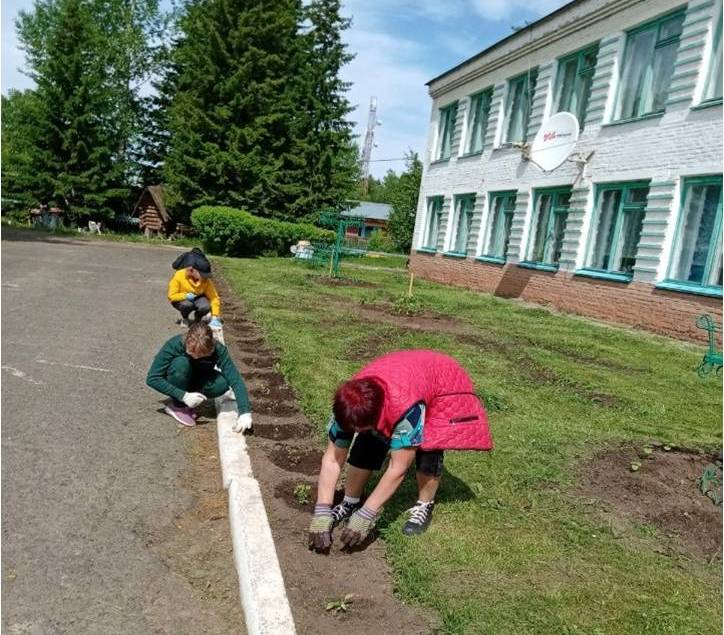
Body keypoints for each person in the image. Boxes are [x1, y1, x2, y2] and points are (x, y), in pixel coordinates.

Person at [308, 350, 492, 553]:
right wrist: (322, 510)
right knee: (369, 440)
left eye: (360, 427)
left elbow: (398, 467)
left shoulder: (407, 409)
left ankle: (424, 504)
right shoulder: (347, 406)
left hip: (441, 381)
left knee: (428, 447)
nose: (355, 432)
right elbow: (333, 459)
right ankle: (351, 501)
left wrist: (367, 515)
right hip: (401, 375)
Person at [146, 322, 252, 431]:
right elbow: (153, 378)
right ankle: (178, 406)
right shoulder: (174, 344)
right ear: (187, 342)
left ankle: (193, 399)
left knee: (221, 384)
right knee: (181, 364)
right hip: (177, 377)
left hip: (198, 378)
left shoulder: (219, 350)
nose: (196, 358)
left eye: (202, 356)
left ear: (211, 348)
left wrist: (245, 412)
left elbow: (235, 380)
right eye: (192, 354)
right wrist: (183, 395)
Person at [168, 248, 222, 328]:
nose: (205, 277)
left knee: (205, 306)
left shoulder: (206, 281)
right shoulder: (179, 276)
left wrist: (214, 316)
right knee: (187, 305)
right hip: (182, 299)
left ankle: (197, 320)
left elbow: (214, 297)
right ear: (193, 270)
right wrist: (185, 296)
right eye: (202, 274)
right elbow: (171, 296)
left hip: (198, 298)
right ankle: (185, 319)